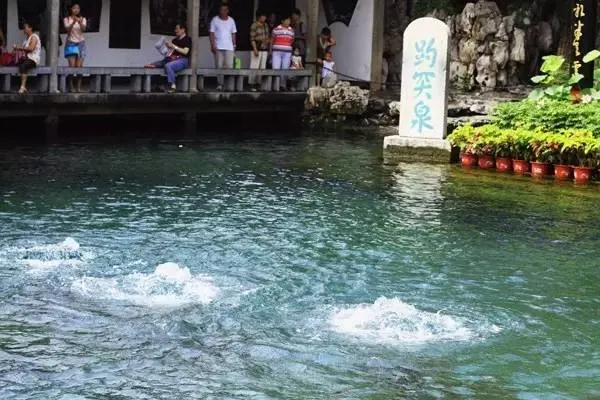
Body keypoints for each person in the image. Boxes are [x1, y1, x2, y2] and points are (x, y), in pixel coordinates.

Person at [144, 23, 192, 93]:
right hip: (171, 59)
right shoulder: (174, 40)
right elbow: (170, 52)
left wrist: (174, 46)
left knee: (168, 66)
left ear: (183, 30)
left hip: (182, 60)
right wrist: (166, 46)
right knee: (152, 65)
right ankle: (158, 85)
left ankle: (172, 85)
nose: (175, 31)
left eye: (177, 29)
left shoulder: (187, 39)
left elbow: (185, 52)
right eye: (175, 29)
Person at [210, 4, 237, 91]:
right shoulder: (215, 20)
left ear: (228, 11)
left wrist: (234, 45)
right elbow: (211, 33)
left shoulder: (231, 20)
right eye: (221, 10)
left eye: (225, 10)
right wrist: (213, 45)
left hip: (229, 47)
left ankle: (229, 85)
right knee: (219, 66)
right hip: (218, 47)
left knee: (229, 66)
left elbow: (233, 33)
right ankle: (220, 84)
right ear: (219, 11)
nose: (223, 12)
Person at [63, 3, 88, 92]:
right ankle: (71, 86)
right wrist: (73, 22)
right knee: (72, 66)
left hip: (81, 43)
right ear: (71, 9)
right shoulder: (66, 19)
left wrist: (79, 22)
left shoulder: (83, 19)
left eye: (78, 8)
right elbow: (67, 30)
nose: (76, 10)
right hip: (71, 43)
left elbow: (84, 29)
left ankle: (78, 87)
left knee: (79, 66)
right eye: (74, 8)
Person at [14, 22, 41, 94]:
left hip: (33, 58)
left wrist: (19, 48)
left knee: (23, 66)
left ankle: (23, 86)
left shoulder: (34, 37)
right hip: (27, 58)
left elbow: (31, 48)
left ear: (30, 28)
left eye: (25, 28)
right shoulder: (27, 39)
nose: (24, 30)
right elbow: (24, 49)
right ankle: (20, 84)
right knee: (14, 63)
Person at [270, 15, 294, 91]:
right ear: (282, 21)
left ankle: (283, 86)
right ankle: (275, 86)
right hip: (276, 52)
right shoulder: (276, 29)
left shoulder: (291, 30)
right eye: (286, 20)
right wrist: (270, 50)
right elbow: (272, 40)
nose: (288, 22)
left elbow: (292, 40)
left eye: (289, 20)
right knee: (276, 68)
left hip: (287, 52)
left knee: (285, 68)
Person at [249, 10, 269, 92]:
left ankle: (259, 84)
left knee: (262, 67)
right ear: (258, 17)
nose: (264, 18)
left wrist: (266, 42)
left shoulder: (266, 25)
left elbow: (267, 36)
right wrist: (255, 49)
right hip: (256, 48)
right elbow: (252, 38)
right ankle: (252, 84)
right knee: (254, 67)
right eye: (262, 16)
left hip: (264, 49)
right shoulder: (254, 25)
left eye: (265, 16)